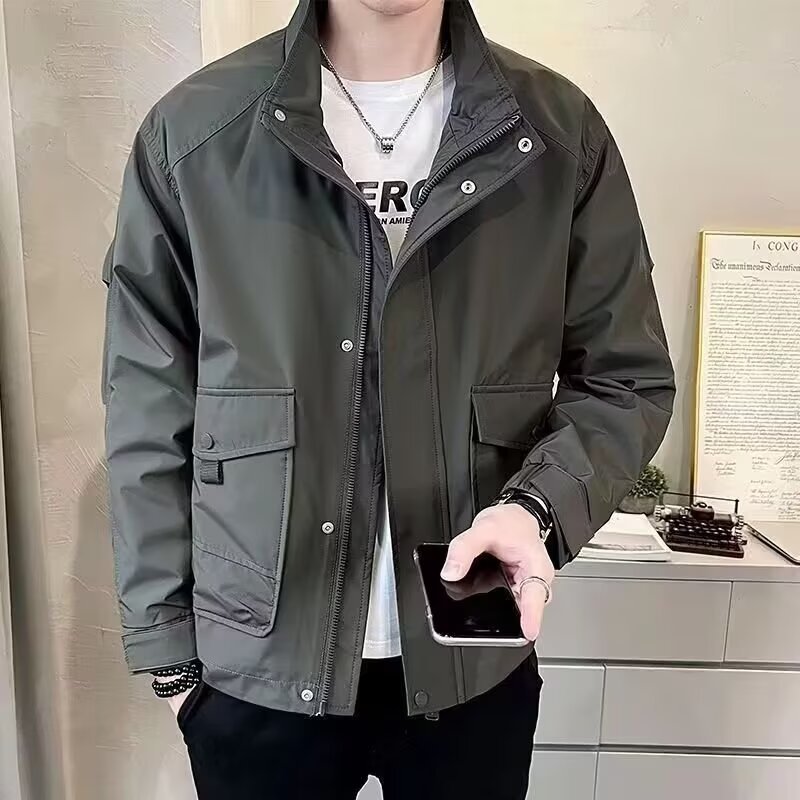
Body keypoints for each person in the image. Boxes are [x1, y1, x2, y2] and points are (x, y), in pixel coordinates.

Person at [101, 0, 675, 797]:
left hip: (470, 660)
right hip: (255, 670)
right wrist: (168, 654)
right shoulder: (197, 132)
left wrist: (537, 509)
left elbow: (624, 379)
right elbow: (148, 402)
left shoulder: (556, 134)